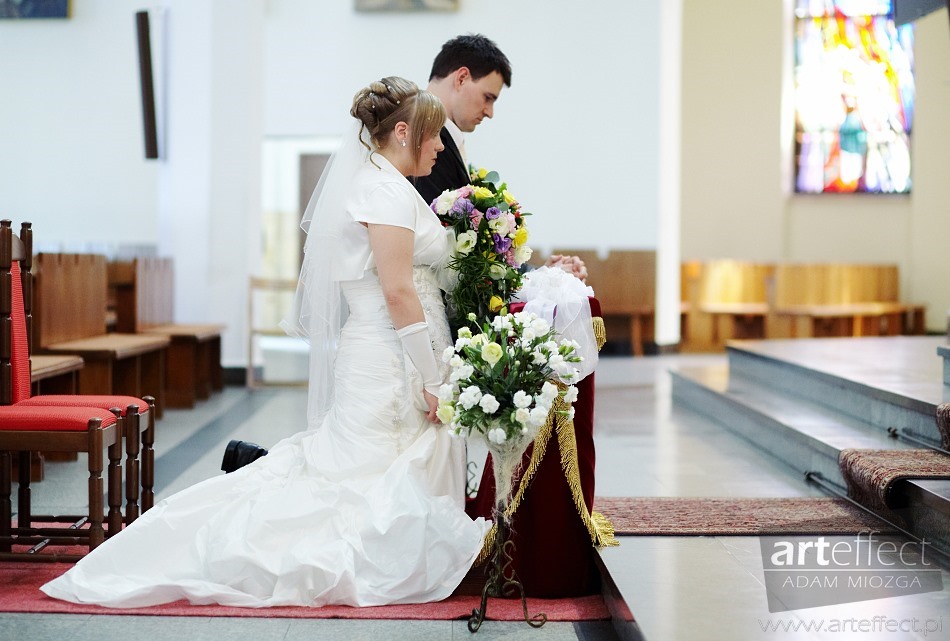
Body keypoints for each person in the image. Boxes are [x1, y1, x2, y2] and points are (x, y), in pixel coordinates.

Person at [40, 76, 489, 609]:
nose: (440, 148)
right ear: (400, 132)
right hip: (392, 362)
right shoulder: (385, 193)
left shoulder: (385, 184)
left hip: (397, 354)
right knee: (359, 478)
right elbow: (396, 292)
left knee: (363, 472)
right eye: (433, 136)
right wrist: (434, 377)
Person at [411, 34, 587, 281]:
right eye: (488, 97)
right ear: (461, 78)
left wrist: (539, 273)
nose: (490, 112)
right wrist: (537, 278)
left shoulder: (442, 137)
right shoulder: (424, 142)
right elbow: (453, 249)